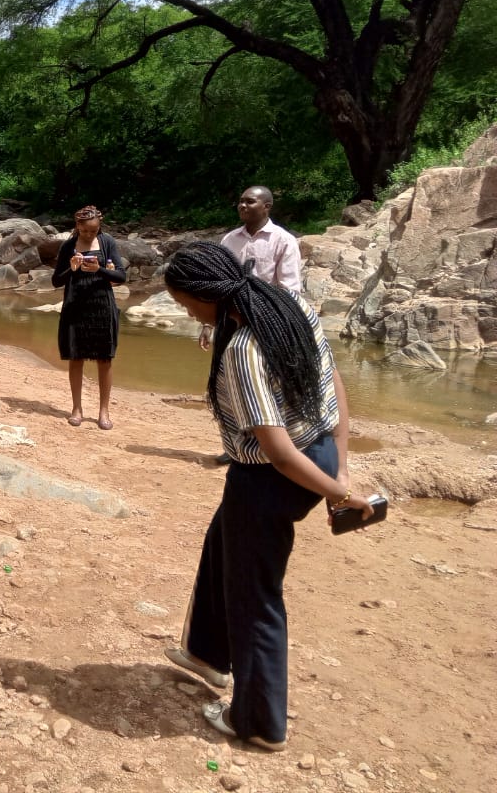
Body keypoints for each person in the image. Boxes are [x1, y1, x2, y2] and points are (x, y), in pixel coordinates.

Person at [161, 241, 374, 752]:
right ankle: (209, 653)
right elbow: (333, 384)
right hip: (318, 452)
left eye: (185, 303)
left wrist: (342, 491)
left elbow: (276, 451)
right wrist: (338, 462)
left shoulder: (242, 349)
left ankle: (258, 722)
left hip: (274, 479)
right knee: (223, 542)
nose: (185, 312)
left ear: (206, 294)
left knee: (255, 596)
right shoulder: (290, 306)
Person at [50, 205, 127, 429]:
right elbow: (56, 281)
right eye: (85, 231)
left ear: (99, 227)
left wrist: (100, 270)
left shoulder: (108, 243)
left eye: (93, 231)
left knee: (105, 359)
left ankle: (104, 411)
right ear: (78, 227)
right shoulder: (68, 246)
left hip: (102, 306)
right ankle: (77, 409)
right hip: (75, 306)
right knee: (76, 357)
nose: (89, 235)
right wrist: (71, 269)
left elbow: (121, 275)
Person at [198, 186, 302, 351]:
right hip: (230, 320)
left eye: (250, 201)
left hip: (266, 320)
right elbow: (219, 283)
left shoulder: (283, 241)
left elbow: (290, 289)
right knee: (225, 371)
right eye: (241, 201)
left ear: (266, 207)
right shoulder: (229, 240)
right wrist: (208, 324)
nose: (243, 205)